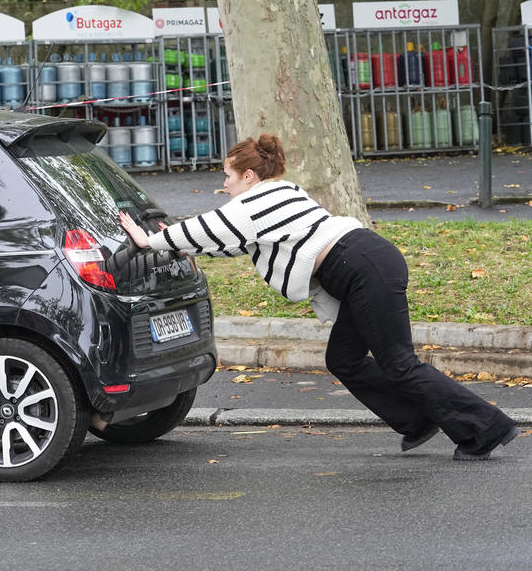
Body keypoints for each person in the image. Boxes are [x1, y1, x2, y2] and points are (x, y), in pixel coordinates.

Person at [119, 134, 519, 461]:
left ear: (248, 176)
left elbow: (211, 227)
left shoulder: (256, 202)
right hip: (365, 262)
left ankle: (486, 428)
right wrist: (187, 248)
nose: (223, 185)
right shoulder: (280, 194)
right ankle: (417, 419)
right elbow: (235, 242)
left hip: (362, 268)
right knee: (342, 359)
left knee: (400, 364)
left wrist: (149, 240)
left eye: (227, 176)